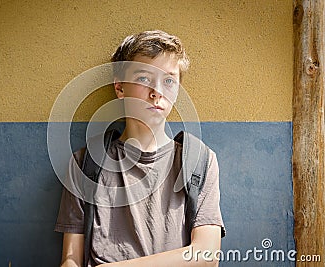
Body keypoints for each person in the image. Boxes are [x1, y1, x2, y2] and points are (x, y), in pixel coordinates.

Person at [55, 30, 225, 267]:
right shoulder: (85, 164)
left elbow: (206, 256)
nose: (157, 92)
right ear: (120, 88)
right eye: (144, 79)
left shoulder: (199, 161)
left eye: (168, 80)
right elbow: (71, 259)